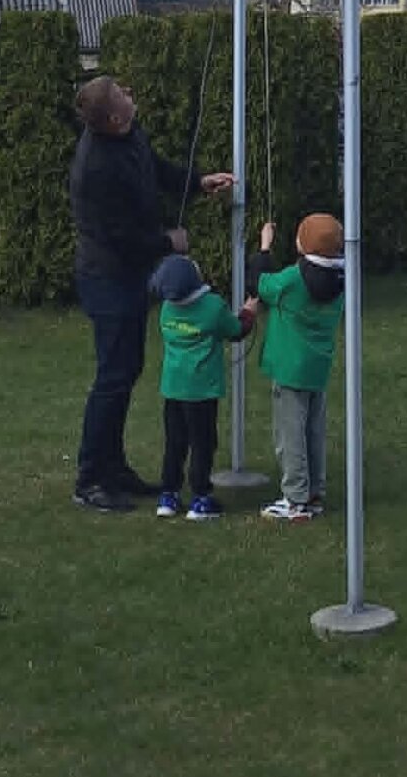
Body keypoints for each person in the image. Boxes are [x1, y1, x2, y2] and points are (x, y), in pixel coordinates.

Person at [69, 75, 233, 514]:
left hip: (128, 277)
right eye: (121, 94)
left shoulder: (128, 135)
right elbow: (119, 237)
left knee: (127, 371)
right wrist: (168, 242)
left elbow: (154, 169)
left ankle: (114, 468)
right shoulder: (96, 168)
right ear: (113, 117)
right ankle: (90, 479)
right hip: (107, 279)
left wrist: (198, 182)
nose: (130, 93)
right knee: (113, 377)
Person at [149, 252, 258, 521]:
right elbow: (236, 330)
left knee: (175, 443)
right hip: (202, 390)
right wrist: (249, 311)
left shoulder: (167, 310)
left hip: (173, 387)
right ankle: (200, 497)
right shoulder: (212, 306)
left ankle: (169, 495)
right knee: (203, 443)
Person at [252, 212, 345, 523]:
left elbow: (260, 284)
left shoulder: (293, 279)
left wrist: (264, 247)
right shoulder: (341, 279)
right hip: (318, 367)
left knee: (290, 435)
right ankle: (314, 492)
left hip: (290, 368)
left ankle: (295, 500)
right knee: (313, 432)